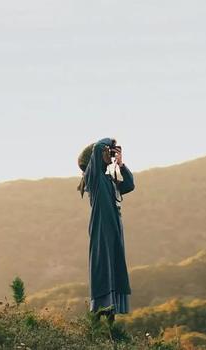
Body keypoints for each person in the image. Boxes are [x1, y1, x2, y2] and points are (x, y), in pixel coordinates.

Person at [77, 137, 135, 324]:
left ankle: (109, 325)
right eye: (106, 152)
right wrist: (109, 141)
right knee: (104, 268)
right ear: (95, 157)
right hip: (102, 229)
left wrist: (121, 163)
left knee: (114, 269)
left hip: (114, 230)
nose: (109, 154)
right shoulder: (94, 179)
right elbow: (98, 147)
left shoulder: (108, 180)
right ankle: (95, 320)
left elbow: (128, 185)